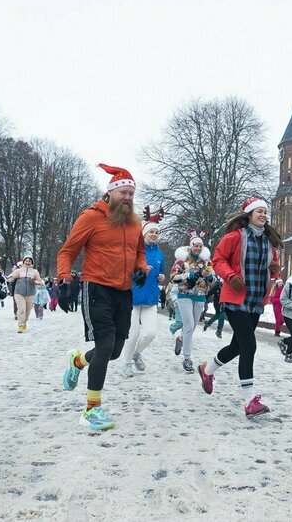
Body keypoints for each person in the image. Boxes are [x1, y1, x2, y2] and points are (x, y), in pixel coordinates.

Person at [58, 164, 147, 431]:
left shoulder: (134, 222)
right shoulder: (91, 217)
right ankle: (91, 410)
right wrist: (64, 279)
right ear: (110, 193)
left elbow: (140, 250)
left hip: (124, 292)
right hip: (96, 288)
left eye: (132, 193)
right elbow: (67, 251)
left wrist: (141, 268)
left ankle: (78, 361)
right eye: (124, 193)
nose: (128, 198)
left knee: (116, 351)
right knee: (106, 345)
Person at [197, 197, 281, 417]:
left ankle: (207, 370)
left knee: (237, 347)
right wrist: (230, 275)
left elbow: (273, 269)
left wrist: (274, 268)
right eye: (259, 211)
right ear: (249, 215)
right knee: (249, 346)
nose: (263, 215)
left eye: (265, 212)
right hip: (235, 299)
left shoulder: (269, 242)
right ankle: (249, 400)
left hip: (255, 301)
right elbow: (218, 260)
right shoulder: (234, 237)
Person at [120, 208, 165, 377]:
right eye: (151, 232)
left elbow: (161, 272)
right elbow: (125, 271)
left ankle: (136, 354)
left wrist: (161, 277)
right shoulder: (135, 250)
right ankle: (126, 364)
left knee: (150, 333)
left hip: (150, 298)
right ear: (144, 233)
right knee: (133, 334)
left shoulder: (159, 252)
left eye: (156, 232)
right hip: (132, 297)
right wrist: (140, 271)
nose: (153, 234)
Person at [170, 230, 215, 373]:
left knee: (192, 326)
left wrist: (209, 277)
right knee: (189, 324)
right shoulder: (181, 261)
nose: (198, 248)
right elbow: (172, 277)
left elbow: (213, 279)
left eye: (200, 246)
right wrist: (188, 275)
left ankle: (180, 339)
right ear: (191, 246)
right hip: (185, 295)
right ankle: (187, 358)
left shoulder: (207, 262)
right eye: (195, 246)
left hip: (200, 296)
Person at [7, 256, 44, 333]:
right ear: (23, 262)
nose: (27, 262)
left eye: (29, 261)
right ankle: (20, 326)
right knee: (21, 310)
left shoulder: (35, 271)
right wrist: (11, 276)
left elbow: (39, 281)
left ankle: (24, 323)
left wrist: (34, 282)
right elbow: (9, 278)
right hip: (19, 293)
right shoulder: (19, 270)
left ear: (32, 262)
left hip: (30, 293)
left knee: (27, 311)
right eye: (26, 261)